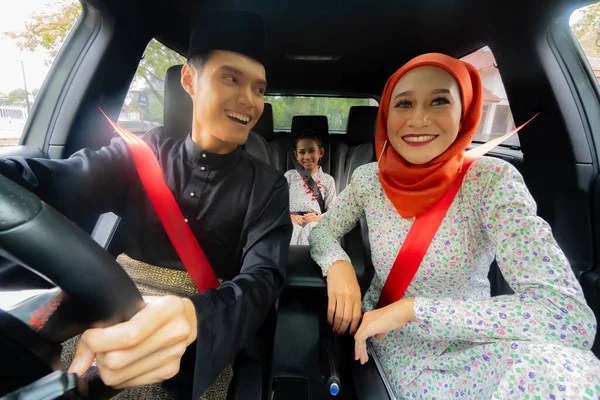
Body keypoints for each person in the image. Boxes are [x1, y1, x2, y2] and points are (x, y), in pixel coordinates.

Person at [0, 10, 292, 400]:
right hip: (112, 302)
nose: (248, 100)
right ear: (190, 80)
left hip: (203, 322)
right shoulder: (142, 154)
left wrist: (195, 317)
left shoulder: (269, 185)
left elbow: (263, 278)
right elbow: (59, 181)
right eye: (231, 78)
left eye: (259, 89)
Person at [309, 53, 600, 398]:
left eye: (439, 100)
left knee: (566, 378)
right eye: (403, 104)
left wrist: (413, 310)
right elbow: (322, 230)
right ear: (386, 115)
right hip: (401, 347)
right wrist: (338, 265)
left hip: (479, 340)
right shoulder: (367, 180)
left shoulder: (491, 181)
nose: (418, 118)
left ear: (465, 112)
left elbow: (566, 318)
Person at [284, 132, 336, 245]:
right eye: (302, 152)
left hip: (315, 222)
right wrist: (290, 216)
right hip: (292, 220)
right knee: (291, 231)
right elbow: (278, 204)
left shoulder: (328, 180)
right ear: (296, 155)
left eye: (311, 151)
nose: (307, 156)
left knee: (313, 231)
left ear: (321, 152)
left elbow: (332, 211)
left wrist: (319, 218)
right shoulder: (289, 176)